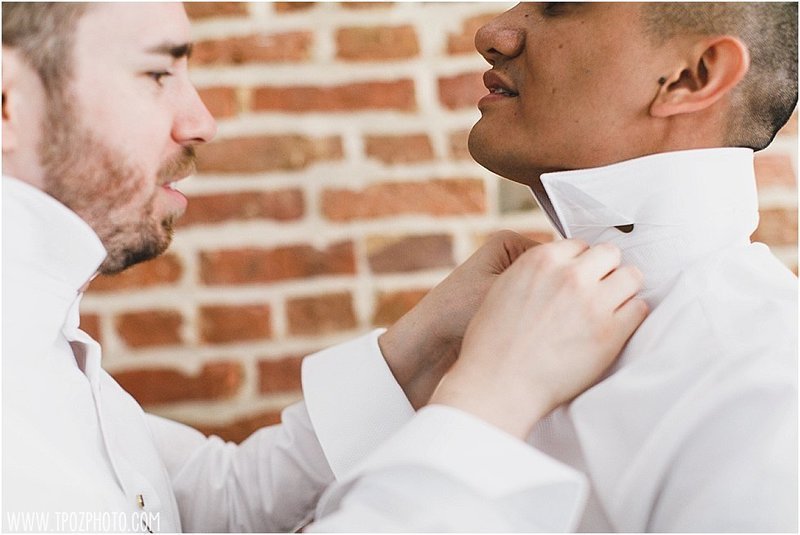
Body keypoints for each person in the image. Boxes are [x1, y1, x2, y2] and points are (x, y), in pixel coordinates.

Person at [1, 2, 649, 532]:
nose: (201, 122)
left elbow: (196, 505)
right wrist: (491, 399)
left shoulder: (45, 352)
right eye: (157, 74)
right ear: (7, 102)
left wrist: (411, 353)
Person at [312, 2, 798, 532]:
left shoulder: (767, 392)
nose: (492, 34)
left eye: (559, 5)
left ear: (690, 77)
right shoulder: (491, 319)